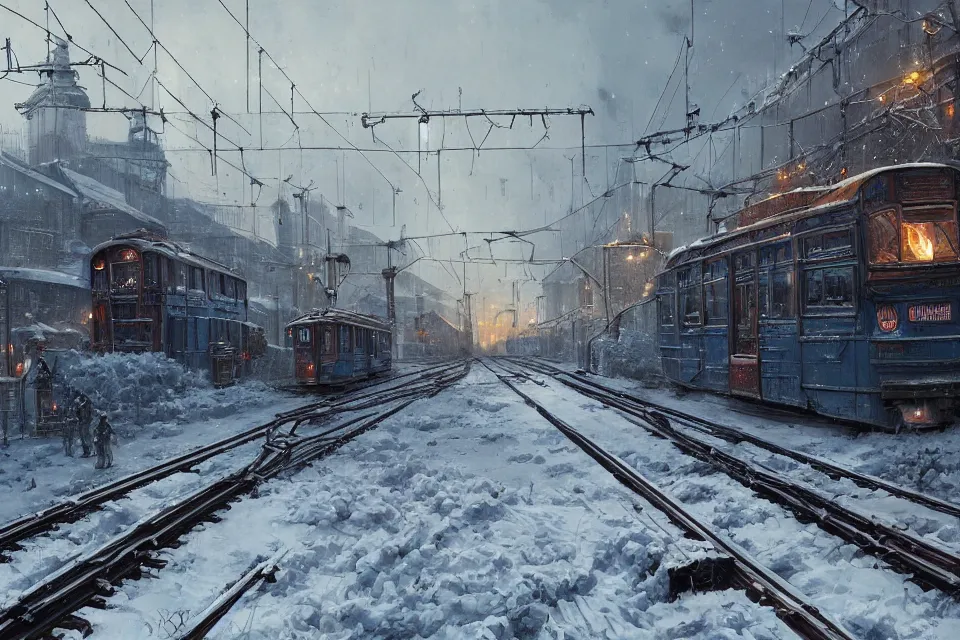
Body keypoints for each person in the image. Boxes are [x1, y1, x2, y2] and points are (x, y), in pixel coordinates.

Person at [74, 393, 94, 458]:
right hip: (83, 423)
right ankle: (87, 451)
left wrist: (85, 420)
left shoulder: (86, 405)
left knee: (87, 437)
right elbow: (78, 414)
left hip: (86, 424)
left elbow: (89, 415)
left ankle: (90, 451)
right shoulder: (81, 406)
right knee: (84, 438)